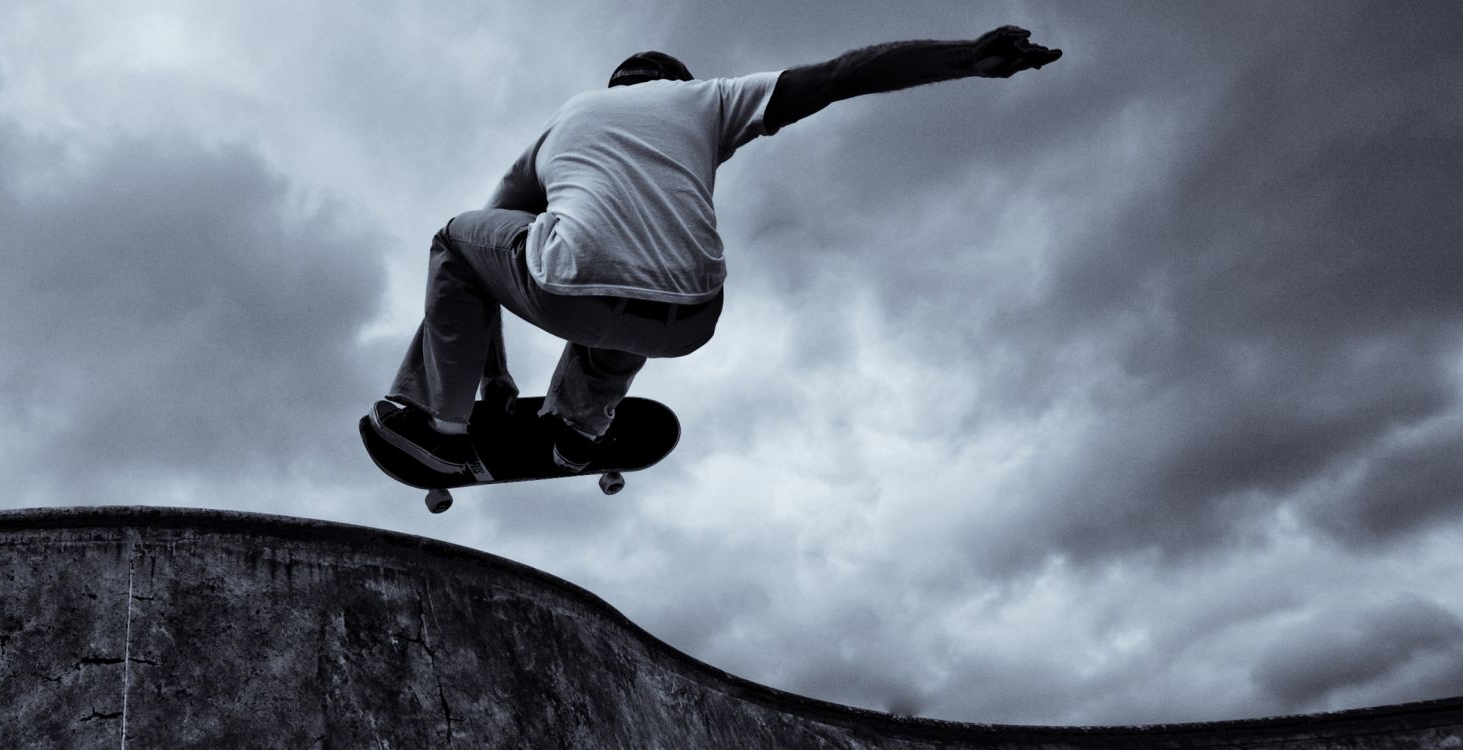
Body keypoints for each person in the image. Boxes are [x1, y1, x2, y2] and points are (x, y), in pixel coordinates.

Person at [372, 26, 1064, 475]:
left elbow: (482, 259)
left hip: (567, 285)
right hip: (693, 317)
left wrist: (489, 382)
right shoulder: (710, 100)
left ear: (619, 87)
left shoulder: (567, 119)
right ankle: (580, 428)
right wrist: (966, 58)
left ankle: (440, 425)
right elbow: (839, 76)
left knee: (460, 242)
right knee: (648, 267)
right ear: (676, 80)